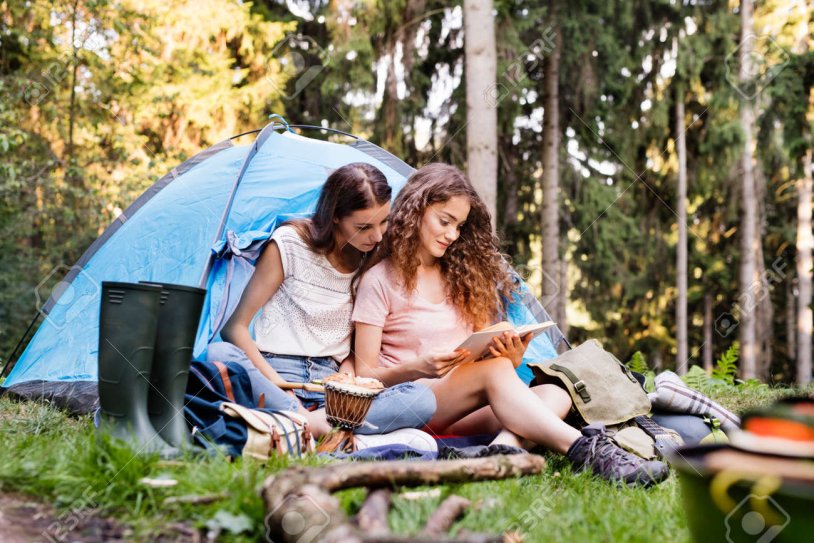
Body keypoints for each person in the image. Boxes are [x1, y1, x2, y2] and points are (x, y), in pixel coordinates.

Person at [351, 163, 669, 486]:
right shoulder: (379, 281)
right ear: (414, 211)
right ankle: (589, 451)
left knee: (557, 391)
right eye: (444, 221)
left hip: (464, 404)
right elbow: (364, 377)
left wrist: (509, 359)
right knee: (498, 376)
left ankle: (502, 448)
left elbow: (479, 362)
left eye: (459, 226)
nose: (452, 235)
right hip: (413, 403)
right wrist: (419, 367)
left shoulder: (459, 276)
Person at [218, 162, 436, 443]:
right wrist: (276, 383)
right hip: (277, 375)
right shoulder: (290, 243)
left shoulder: (375, 260)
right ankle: (316, 426)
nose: (378, 236)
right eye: (363, 227)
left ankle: (303, 427)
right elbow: (234, 328)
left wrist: (346, 381)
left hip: (334, 390)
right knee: (219, 354)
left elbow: (356, 348)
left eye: (384, 221)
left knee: (421, 400)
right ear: (334, 217)